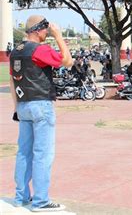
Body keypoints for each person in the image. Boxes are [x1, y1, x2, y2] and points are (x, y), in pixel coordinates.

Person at [9, 15, 72, 212]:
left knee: (23, 152)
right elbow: (67, 61)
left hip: (23, 104)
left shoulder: (15, 52)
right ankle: (41, 201)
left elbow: (13, 81)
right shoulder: (40, 50)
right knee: (42, 154)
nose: (47, 32)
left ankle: (21, 197)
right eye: (45, 29)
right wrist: (59, 36)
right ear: (37, 30)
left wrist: (16, 108)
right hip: (40, 104)